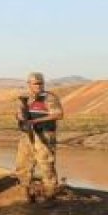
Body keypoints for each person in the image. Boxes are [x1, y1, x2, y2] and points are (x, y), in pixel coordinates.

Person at [15, 71, 65, 204]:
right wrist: (21, 116)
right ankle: (25, 193)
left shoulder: (49, 97)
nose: (38, 86)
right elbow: (18, 114)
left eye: (40, 83)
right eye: (35, 83)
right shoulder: (24, 99)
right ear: (29, 84)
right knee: (23, 164)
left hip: (44, 135)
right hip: (27, 136)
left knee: (46, 165)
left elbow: (58, 115)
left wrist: (36, 121)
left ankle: (49, 196)